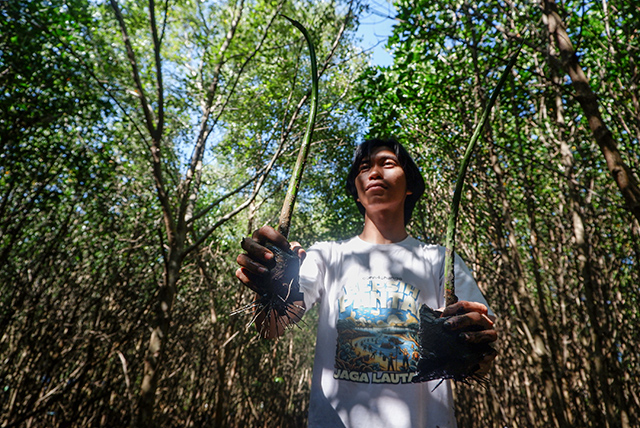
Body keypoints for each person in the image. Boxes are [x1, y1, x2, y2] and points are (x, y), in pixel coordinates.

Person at [236, 138, 497, 428]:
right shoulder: (327, 255)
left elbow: (481, 353)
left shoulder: (440, 260)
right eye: (364, 167)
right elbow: (270, 325)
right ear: (357, 194)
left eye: (387, 163)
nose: (374, 172)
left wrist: (472, 342)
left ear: (409, 184)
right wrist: (269, 284)